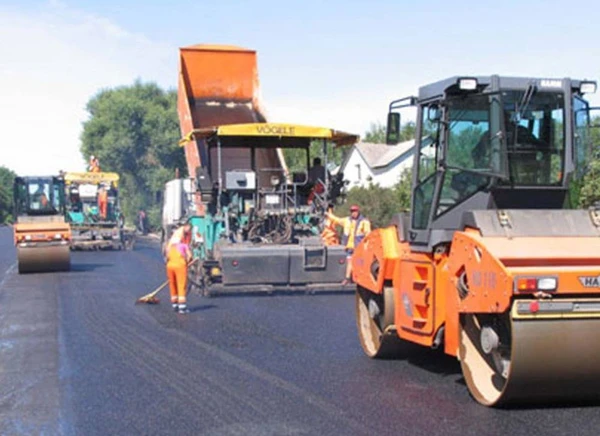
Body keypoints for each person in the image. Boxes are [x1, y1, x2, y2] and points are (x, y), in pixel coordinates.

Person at [327, 204, 371, 285]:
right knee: (350, 262)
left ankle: (358, 279)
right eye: (352, 211)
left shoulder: (364, 222)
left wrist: (366, 247)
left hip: (359, 248)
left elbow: (368, 235)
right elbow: (336, 220)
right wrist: (328, 214)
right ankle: (348, 279)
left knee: (358, 263)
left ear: (358, 211)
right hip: (349, 247)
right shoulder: (347, 220)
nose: (353, 213)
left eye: (355, 211)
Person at [165, 224, 193, 314]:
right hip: (180, 266)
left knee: (172, 284)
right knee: (181, 285)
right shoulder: (184, 246)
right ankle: (182, 308)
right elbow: (190, 256)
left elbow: (167, 256)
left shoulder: (170, 247)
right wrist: (188, 262)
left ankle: (175, 305)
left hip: (169, 266)